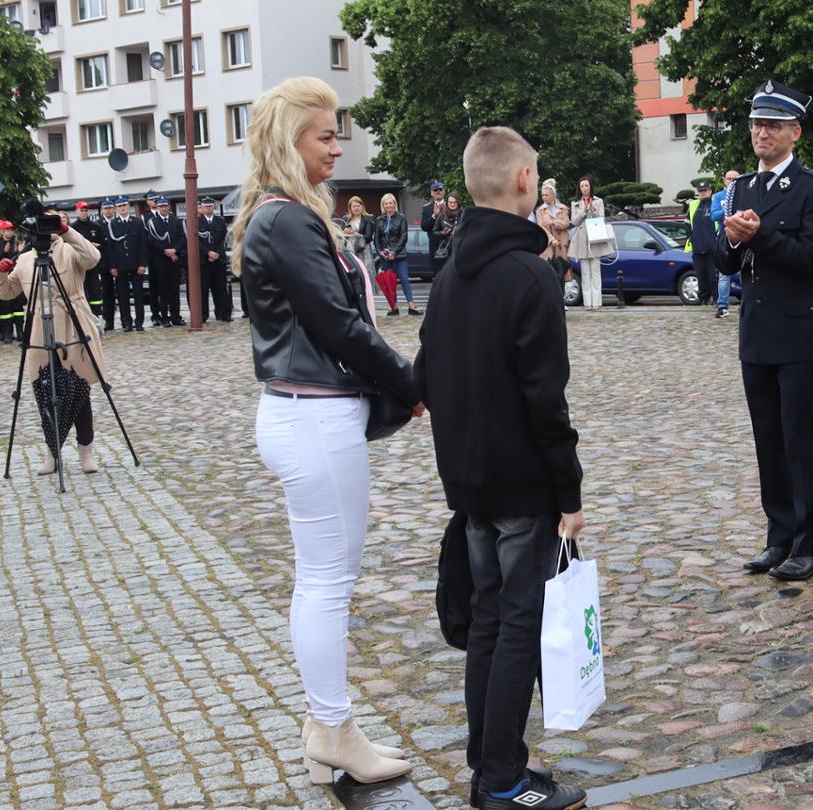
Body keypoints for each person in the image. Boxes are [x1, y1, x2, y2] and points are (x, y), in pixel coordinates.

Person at [235, 76, 418, 788]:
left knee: (324, 580)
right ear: (290, 140)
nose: (337, 147)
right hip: (312, 414)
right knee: (326, 583)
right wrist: (410, 383)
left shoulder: (282, 216)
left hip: (307, 411)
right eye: (325, 135)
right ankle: (333, 728)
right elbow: (338, 326)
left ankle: (327, 729)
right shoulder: (286, 220)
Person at [415, 125, 588, 810]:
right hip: (521, 481)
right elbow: (546, 399)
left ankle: (493, 761)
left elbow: (426, 371)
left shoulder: (450, 273)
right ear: (523, 182)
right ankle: (501, 782)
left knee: (489, 620)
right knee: (516, 623)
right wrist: (568, 491)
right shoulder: (529, 274)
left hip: (469, 481)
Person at [718, 80, 813, 582]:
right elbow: (725, 261)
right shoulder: (740, 188)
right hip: (758, 331)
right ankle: (779, 535)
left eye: (772, 125)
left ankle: (810, 544)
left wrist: (761, 236)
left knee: (802, 440)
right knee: (768, 439)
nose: (761, 133)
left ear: (795, 132)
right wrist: (731, 240)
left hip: (799, 332)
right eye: (756, 125)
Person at [0, 211, 109, 472]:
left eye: (52, 224)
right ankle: (52, 453)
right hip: (38, 328)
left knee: (79, 390)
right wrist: (1, 272)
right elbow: (5, 292)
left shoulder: (69, 250)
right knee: (45, 392)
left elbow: (92, 258)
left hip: (72, 324)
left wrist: (66, 231)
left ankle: (85, 451)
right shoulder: (25, 259)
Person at [103, 198, 147, 332]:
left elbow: (143, 245)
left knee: (139, 294)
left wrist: (142, 263)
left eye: (124, 205)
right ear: (116, 208)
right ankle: (127, 322)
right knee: (123, 296)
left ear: (129, 207)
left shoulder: (137, 222)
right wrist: (112, 266)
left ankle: (139, 322)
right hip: (120, 265)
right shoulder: (113, 224)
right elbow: (110, 248)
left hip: (135, 264)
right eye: (120, 206)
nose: (122, 208)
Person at [568, 177, 612, 310]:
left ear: (590, 187)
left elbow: (601, 218)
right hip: (581, 239)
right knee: (585, 273)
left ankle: (597, 302)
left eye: (586, 185)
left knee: (595, 272)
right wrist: (584, 211)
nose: (584, 188)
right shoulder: (575, 203)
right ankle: (587, 303)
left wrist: (592, 210)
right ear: (579, 188)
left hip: (595, 237)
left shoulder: (598, 201)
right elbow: (574, 221)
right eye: (582, 186)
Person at [372, 194, 417, 316]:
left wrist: (394, 252)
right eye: (386, 203)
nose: (388, 206)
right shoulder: (379, 219)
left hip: (399, 254)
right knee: (390, 281)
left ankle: (411, 305)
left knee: (404, 279)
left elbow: (403, 237)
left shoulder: (401, 217)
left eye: (390, 203)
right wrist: (380, 251)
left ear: (394, 204)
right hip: (385, 256)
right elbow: (376, 238)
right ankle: (394, 307)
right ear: (383, 205)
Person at [146, 196, 185, 327]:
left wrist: (174, 250)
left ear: (169, 207)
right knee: (162, 291)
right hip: (160, 260)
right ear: (157, 208)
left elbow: (182, 238)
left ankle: (176, 316)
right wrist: (166, 251)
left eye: (165, 206)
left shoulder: (175, 221)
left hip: (174, 260)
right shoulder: (153, 222)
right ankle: (164, 317)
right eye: (161, 206)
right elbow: (152, 241)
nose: (163, 208)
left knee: (174, 290)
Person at [0, 221, 27, 343]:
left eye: (11, 229)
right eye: (6, 230)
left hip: (16, 277)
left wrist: (20, 251)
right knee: (5, 308)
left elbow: (23, 258)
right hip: (4, 278)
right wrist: (4, 252)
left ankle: (20, 331)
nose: (9, 232)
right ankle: (8, 332)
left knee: (18, 307)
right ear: (2, 231)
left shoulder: (18, 241)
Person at [70, 201, 109, 324]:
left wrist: (95, 247)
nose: (84, 212)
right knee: (81, 291)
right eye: (81, 210)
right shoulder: (72, 228)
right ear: (76, 211)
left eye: (86, 210)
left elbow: (104, 244)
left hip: (93, 265)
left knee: (95, 292)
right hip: (79, 266)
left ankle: (97, 316)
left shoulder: (96, 227)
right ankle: (83, 318)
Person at [196, 197, 234, 322]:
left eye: (211, 206)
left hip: (218, 260)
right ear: (201, 208)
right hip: (204, 261)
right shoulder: (197, 222)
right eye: (206, 206)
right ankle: (203, 315)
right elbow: (196, 241)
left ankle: (223, 313)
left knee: (221, 289)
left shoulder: (220, 221)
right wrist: (208, 252)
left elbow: (222, 239)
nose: (208, 208)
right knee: (203, 290)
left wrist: (216, 253)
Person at [713, 170, 741, 317]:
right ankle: (722, 306)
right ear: (724, 180)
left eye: (736, 179)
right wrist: (728, 210)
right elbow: (714, 215)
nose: (732, 181)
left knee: (746, 272)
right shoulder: (718, 196)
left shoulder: (744, 194)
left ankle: (747, 302)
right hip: (725, 237)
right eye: (730, 179)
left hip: (743, 237)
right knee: (724, 274)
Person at [685, 181, 716, 304]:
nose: (702, 193)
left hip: (712, 249)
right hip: (697, 249)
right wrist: (692, 238)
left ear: (710, 191)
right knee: (701, 276)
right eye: (700, 191)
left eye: (705, 190)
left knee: (714, 276)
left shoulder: (715, 204)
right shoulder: (693, 205)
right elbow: (687, 225)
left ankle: (716, 299)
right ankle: (704, 299)